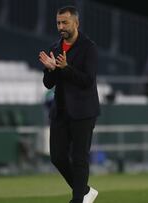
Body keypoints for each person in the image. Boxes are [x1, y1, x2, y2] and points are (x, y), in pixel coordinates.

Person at [39, 6, 100, 203]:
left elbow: (87, 81)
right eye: (58, 23)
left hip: (83, 111)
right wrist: (50, 70)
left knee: (80, 158)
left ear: (76, 23)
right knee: (57, 157)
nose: (61, 27)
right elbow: (49, 83)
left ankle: (78, 200)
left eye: (65, 22)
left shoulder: (88, 48)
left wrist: (66, 68)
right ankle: (85, 191)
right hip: (61, 110)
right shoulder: (55, 47)